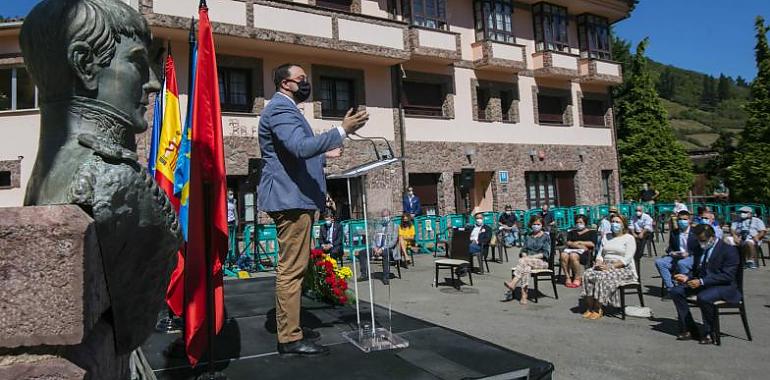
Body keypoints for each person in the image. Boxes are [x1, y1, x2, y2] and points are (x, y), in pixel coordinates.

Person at [258, 63, 368, 356]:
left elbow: (300, 152)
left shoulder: (288, 110)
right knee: (291, 270)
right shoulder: (281, 110)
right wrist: (341, 131)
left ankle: (290, 331)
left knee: (296, 268)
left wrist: (324, 152)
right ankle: (289, 338)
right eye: (301, 79)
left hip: (296, 198)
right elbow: (299, 147)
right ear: (285, 84)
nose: (306, 83)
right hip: (290, 200)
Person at [670, 224, 741, 344]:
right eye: (698, 240)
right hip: (703, 283)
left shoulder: (728, 250)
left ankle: (710, 331)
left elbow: (727, 276)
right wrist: (687, 277)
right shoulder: (699, 248)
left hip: (723, 286)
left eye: (702, 240)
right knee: (676, 291)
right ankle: (690, 328)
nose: (700, 243)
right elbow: (697, 270)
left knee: (704, 297)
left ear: (712, 237)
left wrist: (702, 281)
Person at [580, 215, 636, 320]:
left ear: (623, 225)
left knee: (602, 276)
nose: (614, 224)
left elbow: (627, 259)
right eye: (613, 221)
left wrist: (610, 267)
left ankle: (598, 308)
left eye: (617, 222)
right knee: (587, 274)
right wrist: (598, 262)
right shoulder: (606, 236)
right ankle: (590, 306)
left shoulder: (629, 238)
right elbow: (600, 253)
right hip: (604, 264)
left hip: (622, 267)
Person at [503, 216, 551, 304]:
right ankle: (524, 296)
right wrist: (525, 256)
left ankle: (513, 283)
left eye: (538, 224)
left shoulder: (545, 236)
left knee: (523, 261)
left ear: (542, 225)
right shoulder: (528, 236)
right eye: (534, 224)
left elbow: (545, 253)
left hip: (541, 261)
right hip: (527, 262)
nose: (536, 226)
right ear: (531, 225)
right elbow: (523, 250)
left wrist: (529, 258)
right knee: (526, 269)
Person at [655, 210, 697, 293]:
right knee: (659, 262)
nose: (682, 221)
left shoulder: (695, 232)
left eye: (685, 219)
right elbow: (670, 247)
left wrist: (689, 253)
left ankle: (685, 289)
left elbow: (700, 248)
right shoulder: (675, 232)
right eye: (680, 219)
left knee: (682, 263)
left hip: (692, 257)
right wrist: (672, 253)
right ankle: (670, 288)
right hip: (677, 256)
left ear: (689, 220)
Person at [356, 209, 399, 284]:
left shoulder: (395, 226)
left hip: (388, 248)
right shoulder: (378, 226)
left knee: (386, 254)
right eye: (383, 216)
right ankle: (363, 274)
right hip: (376, 248)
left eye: (386, 216)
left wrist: (382, 248)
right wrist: (374, 247)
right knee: (362, 253)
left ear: (390, 216)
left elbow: (393, 241)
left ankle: (385, 277)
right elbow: (373, 238)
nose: (384, 218)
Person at [561, 215, 597, 288]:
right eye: (577, 222)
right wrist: (577, 245)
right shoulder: (572, 232)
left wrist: (580, 242)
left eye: (581, 222)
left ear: (585, 223)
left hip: (585, 253)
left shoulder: (591, 232)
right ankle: (567, 277)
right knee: (563, 255)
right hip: (571, 250)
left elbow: (592, 244)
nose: (579, 224)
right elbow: (568, 242)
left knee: (573, 255)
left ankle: (577, 278)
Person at [227, 189, 239, 266]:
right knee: (228, 241)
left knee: (233, 240)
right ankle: (227, 259)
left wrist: (237, 220)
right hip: (226, 222)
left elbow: (235, 211)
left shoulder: (234, 201)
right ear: (227, 194)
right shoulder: (224, 202)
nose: (232, 195)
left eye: (232, 194)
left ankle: (232, 259)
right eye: (230, 194)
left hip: (232, 221)